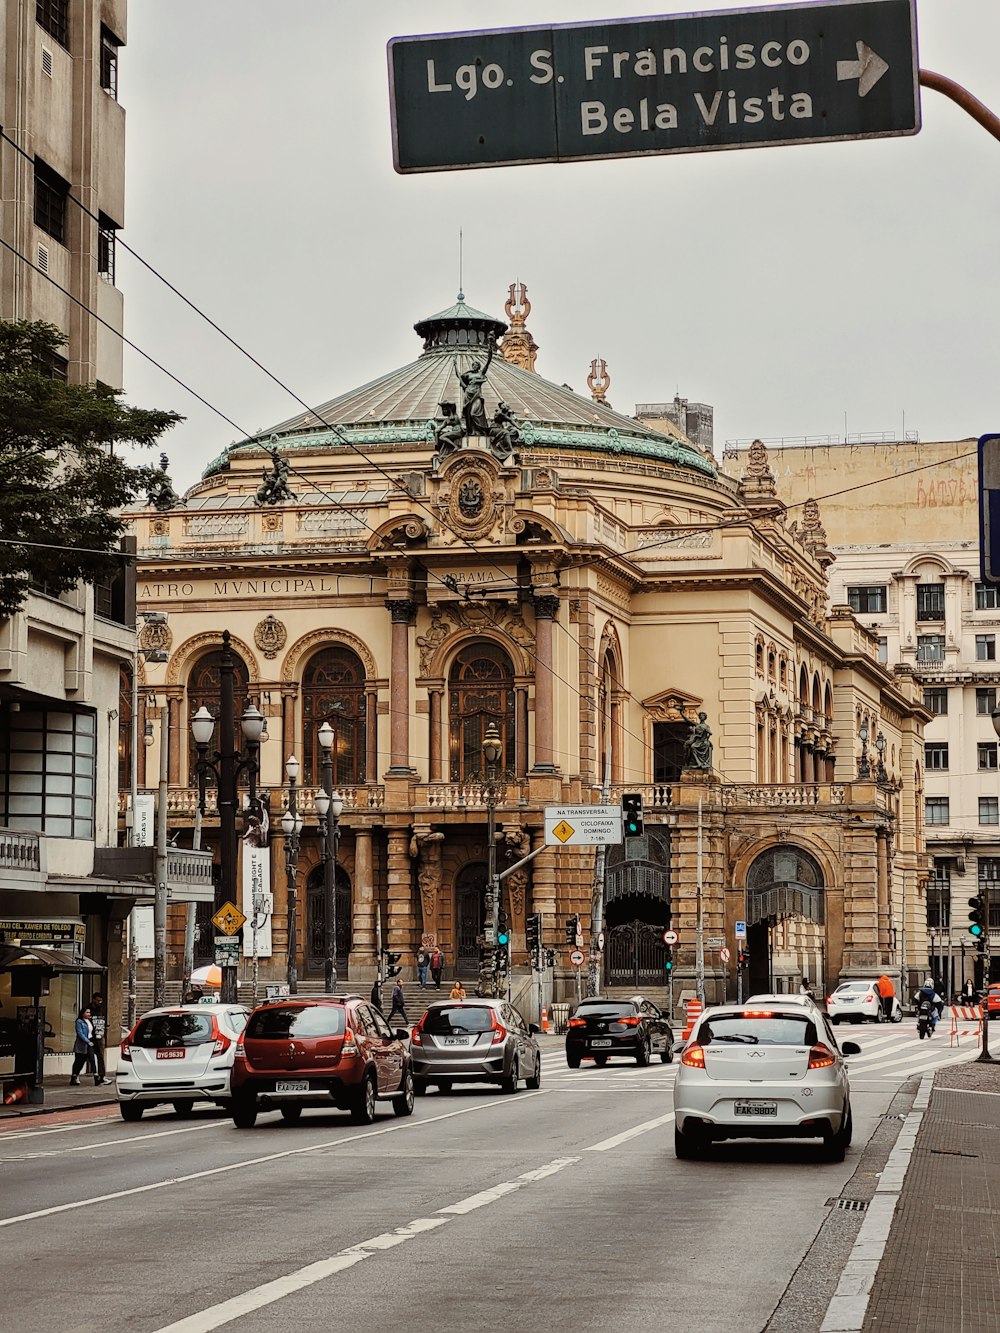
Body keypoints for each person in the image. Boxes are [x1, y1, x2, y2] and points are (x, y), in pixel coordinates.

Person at [88, 991, 112, 1085]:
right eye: (98, 1000)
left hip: (99, 1035)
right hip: (90, 1035)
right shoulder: (88, 1009)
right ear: (93, 1000)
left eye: (101, 1001)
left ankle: (101, 1076)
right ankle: (75, 1075)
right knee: (83, 1057)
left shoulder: (101, 1009)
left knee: (100, 1056)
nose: (100, 1003)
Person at [70, 1007, 97, 1085]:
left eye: (89, 1012)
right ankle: (75, 1076)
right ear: (82, 1013)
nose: (89, 1014)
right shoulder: (79, 1021)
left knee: (92, 1059)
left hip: (90, 1042)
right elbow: (80, 1033)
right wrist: (87, 1041)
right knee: (79, 1061)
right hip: (82, 1044)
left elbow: (92, 1032)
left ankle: (96, 1076)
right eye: (87, 1012)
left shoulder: (90, 1021)